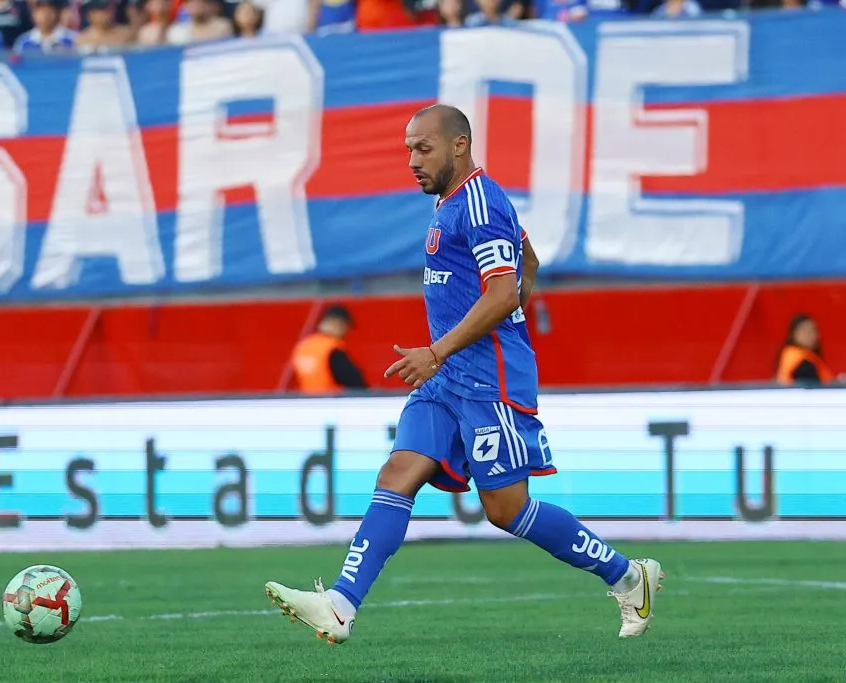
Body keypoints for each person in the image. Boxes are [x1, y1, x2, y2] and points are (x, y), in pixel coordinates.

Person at [265, 105, 664, 645]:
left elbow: (503, 292)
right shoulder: (452, 204)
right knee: (397, 474)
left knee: (506, 510)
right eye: (407, 149)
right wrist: (479, 325)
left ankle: (627, 575)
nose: (411, 160)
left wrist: (438, 350)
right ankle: (340, 603)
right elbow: (525, 268)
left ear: (460, 144)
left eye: (422, 148)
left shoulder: (478, 201)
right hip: (446, 378)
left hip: (488, 380)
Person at [291, 305, 367, 394]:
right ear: (338, 324)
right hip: (332, 404)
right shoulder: (332, 349)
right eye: (346, 327)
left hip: (309, 403)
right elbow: (356, 383)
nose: (346, 332)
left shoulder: (303, 347)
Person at [775, 314, 835, 385]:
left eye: (813, 330)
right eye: (805, 331)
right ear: (793, 334)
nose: (810, 335)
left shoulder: (810, 357)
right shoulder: (800, 361)